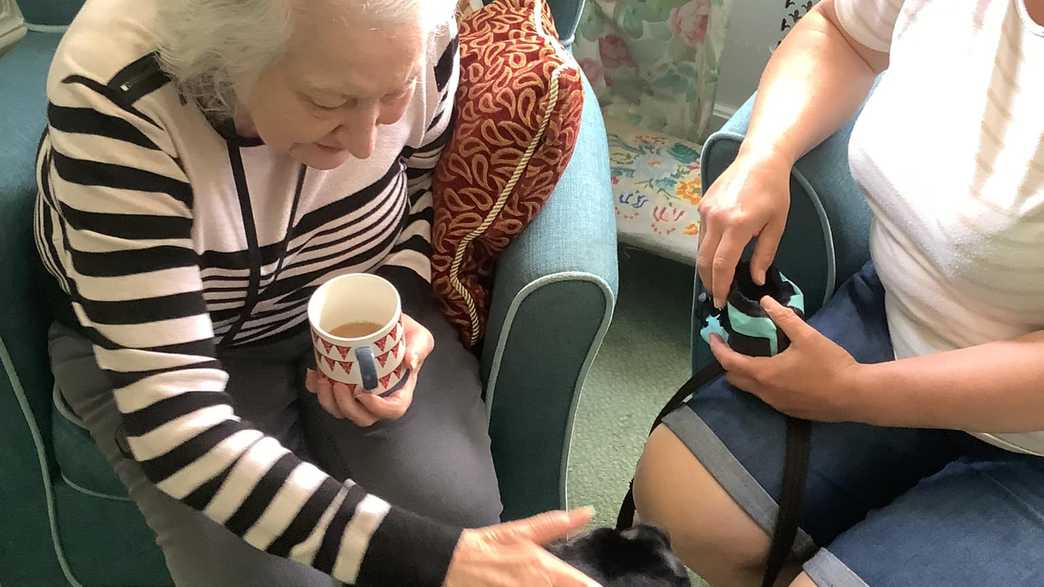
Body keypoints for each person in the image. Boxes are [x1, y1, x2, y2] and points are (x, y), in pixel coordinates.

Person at [34, 0, 600, 585]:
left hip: (358, 292)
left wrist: (399, 296)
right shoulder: (117, 97)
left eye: (394, 94)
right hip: (180, 346)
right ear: (224, 61)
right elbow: (177, 424)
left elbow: (426, 176)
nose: (364, 144)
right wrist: (441, 560)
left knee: (459, 509)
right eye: (328, 102)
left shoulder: (420, 27)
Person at [633, 0, 1044, 585]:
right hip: (901, 316)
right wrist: (764, 153)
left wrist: (854, 392)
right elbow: (839, 32)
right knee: (679, 499)